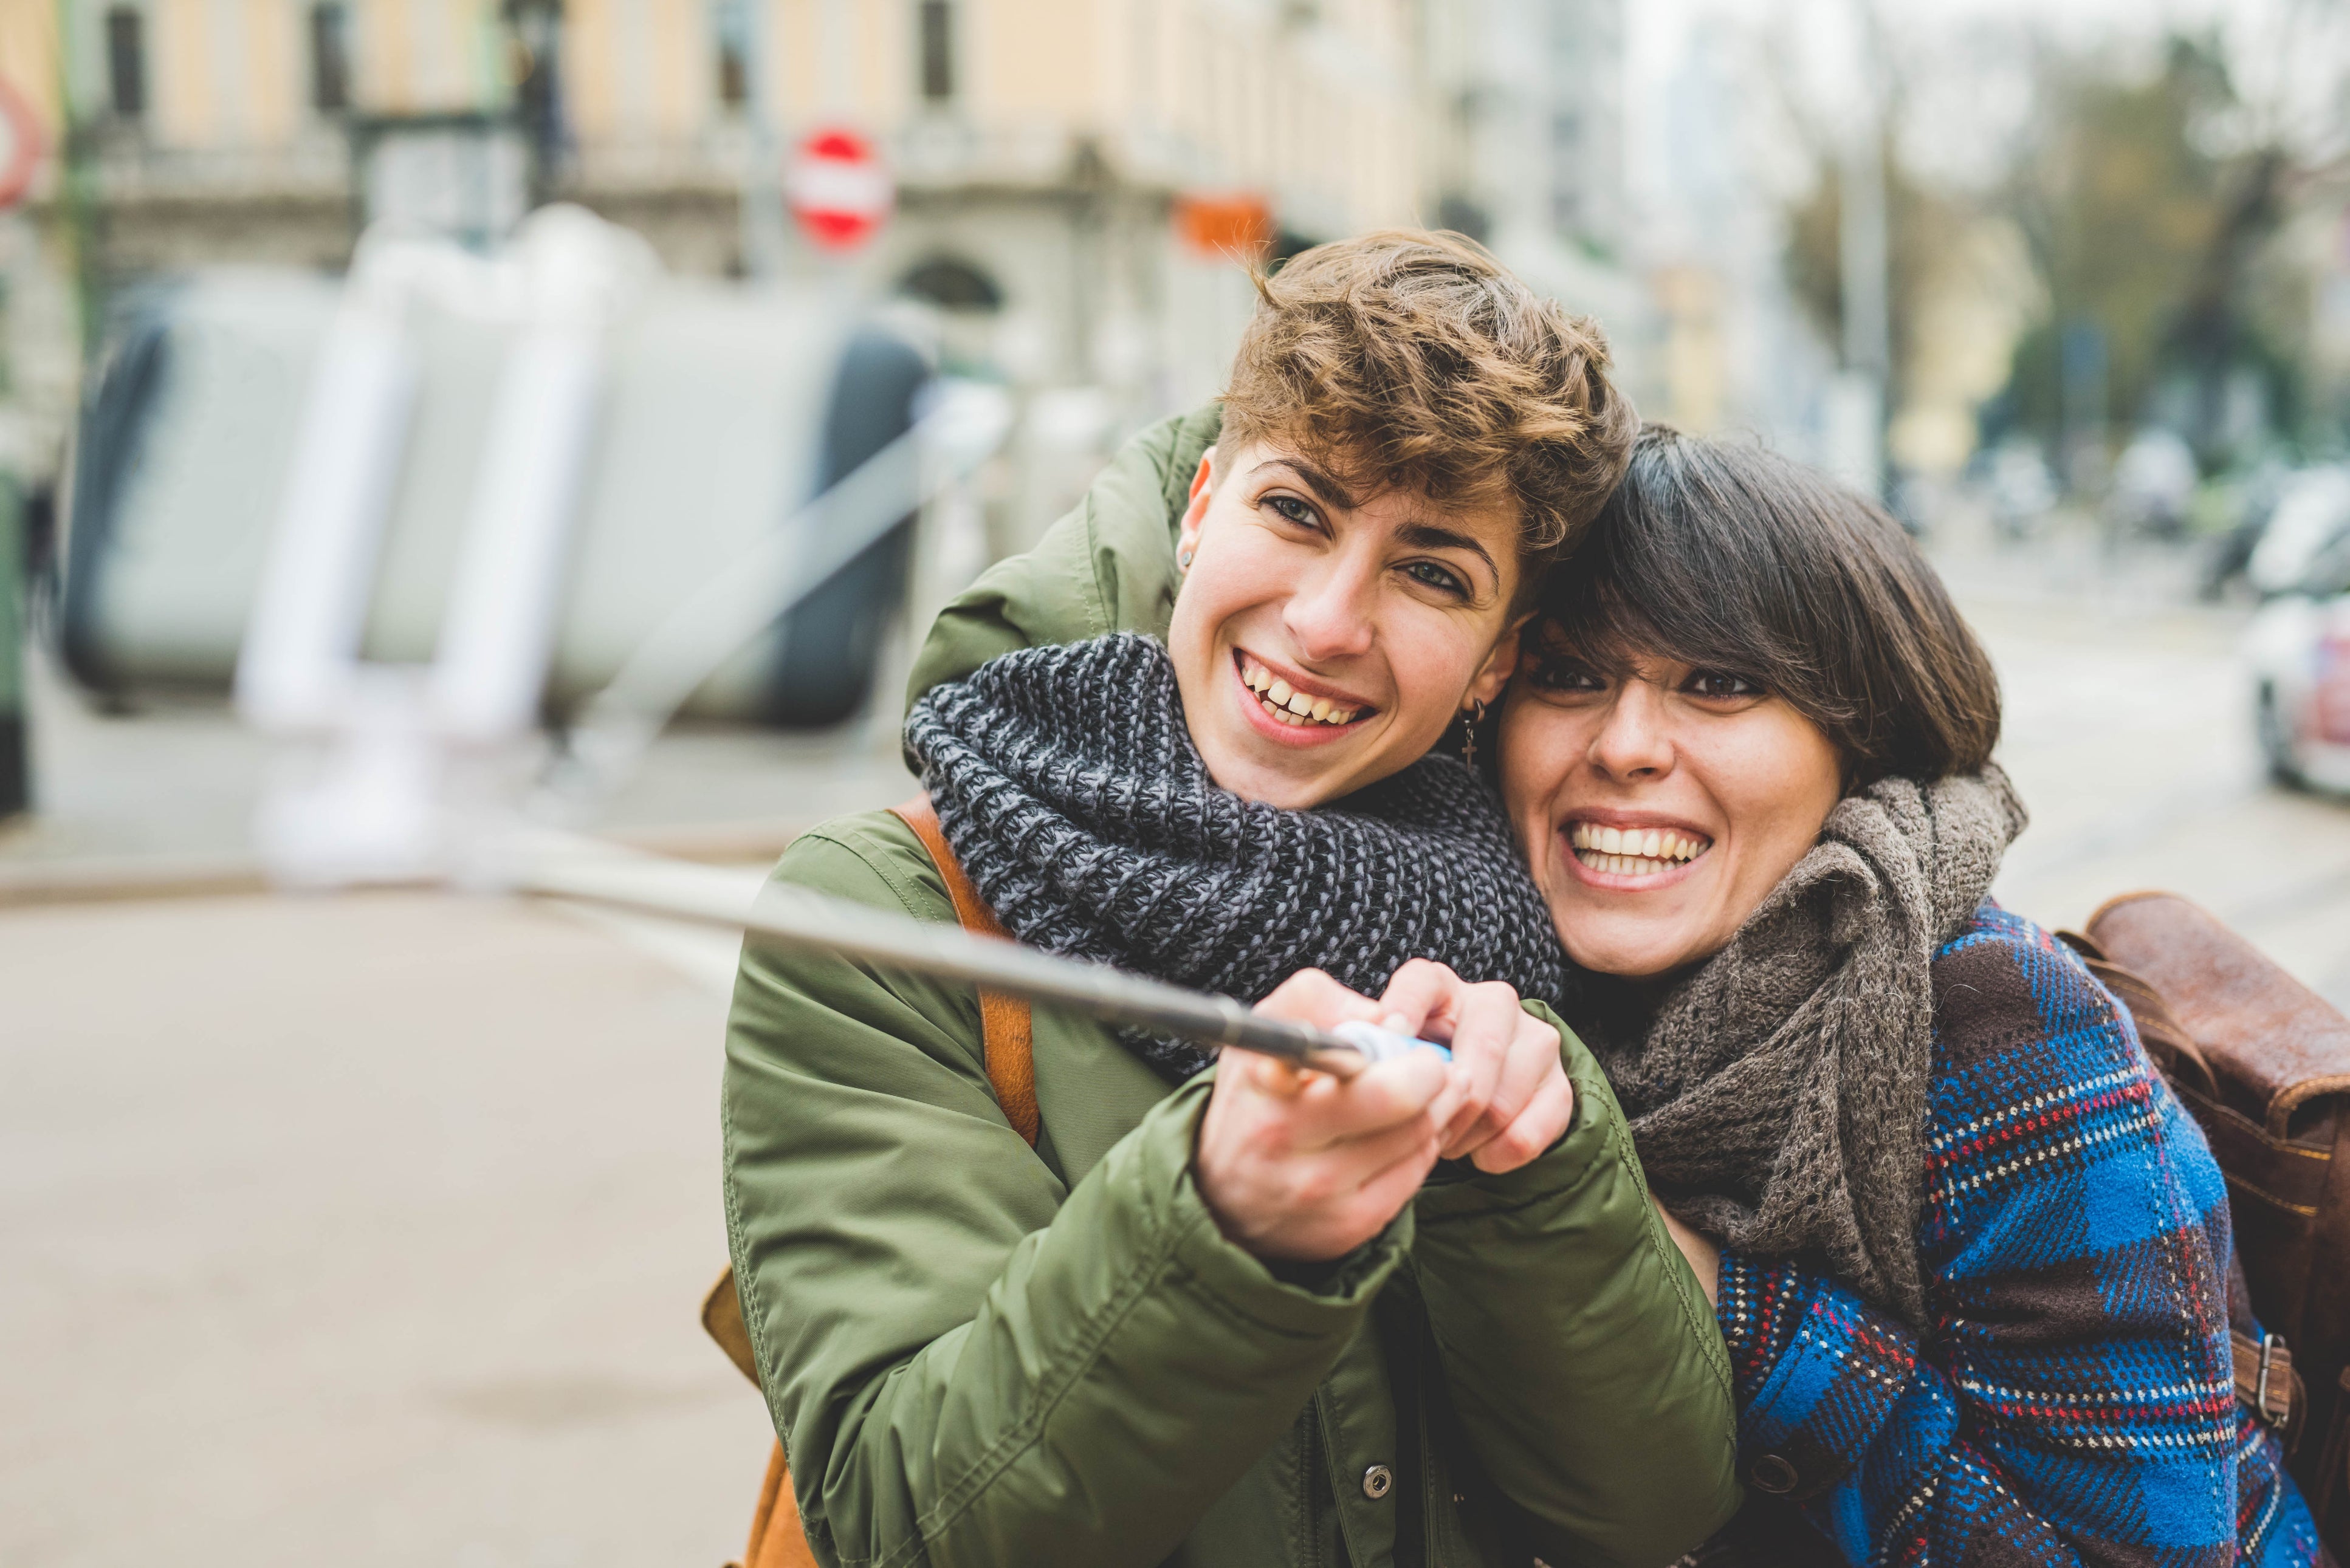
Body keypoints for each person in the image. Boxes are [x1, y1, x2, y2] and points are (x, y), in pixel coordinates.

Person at [722, 234, 1740, 1567]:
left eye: (1430, 572)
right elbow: (899, 1525)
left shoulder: (1526, 922)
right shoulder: (884, 915)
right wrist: (1219, 1224)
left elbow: (1651, 1506)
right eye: (1297, 511)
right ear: (1198, 504)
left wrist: (1524, 1174)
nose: (1326, 620)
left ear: (1495, 661)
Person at [1493, 425, 2324, 1566]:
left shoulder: (2001, 1028)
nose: (1627, 744)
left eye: (1722, 684)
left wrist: (1720, 1304)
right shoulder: (1496, 973)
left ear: (1859, 741)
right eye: (1570, 676)